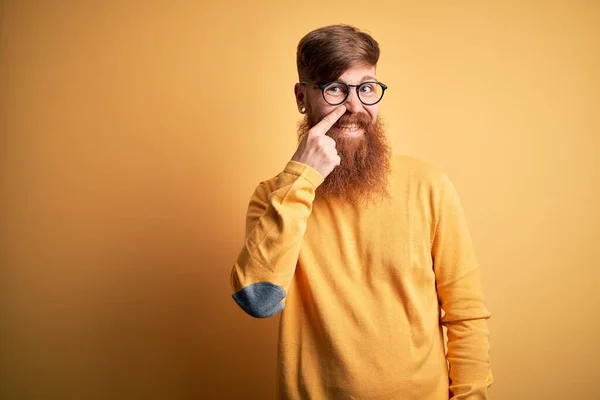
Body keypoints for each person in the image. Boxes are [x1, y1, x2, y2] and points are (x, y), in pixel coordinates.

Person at [230, 24, 492, 400]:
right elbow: (259, 301)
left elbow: (465, 313)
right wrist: (301, 178)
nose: (355, 107)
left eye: (366, 88)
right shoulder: (276, 196)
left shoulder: (428, 185)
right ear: (302, 97)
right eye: (335, 88)